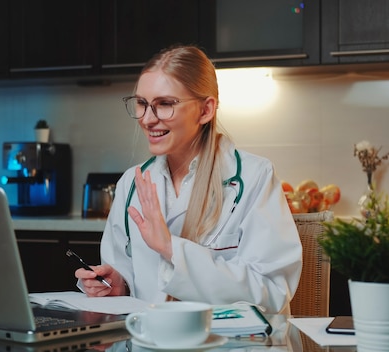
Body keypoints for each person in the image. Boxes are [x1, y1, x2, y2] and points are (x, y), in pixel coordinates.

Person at [75, 45, 302, 314]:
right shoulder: (131, 184)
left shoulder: (255, 177)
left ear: (206, 110)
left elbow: (271, 292)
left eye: (165, 104)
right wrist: (117, 285)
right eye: (142, 103)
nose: (148, 119)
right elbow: (130, 284)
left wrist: (171, 248)